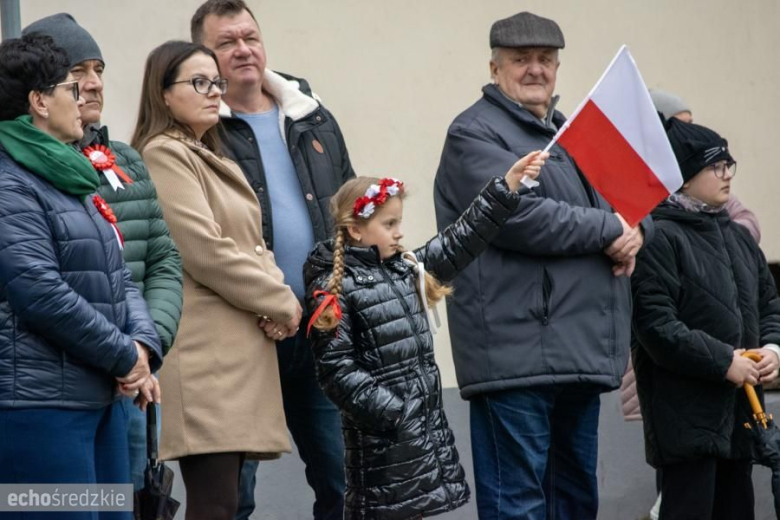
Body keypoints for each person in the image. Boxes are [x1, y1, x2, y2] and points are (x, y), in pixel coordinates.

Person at [433, 11, 653, 519]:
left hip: (577, 351)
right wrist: (610, 230)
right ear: (494, 68)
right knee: (520, 506)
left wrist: (637, 231)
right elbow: (516, 216)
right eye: (521, 60)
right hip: (516, 358)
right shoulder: (473, 134)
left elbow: (629, 202)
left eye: (546, 60)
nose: (536, 69)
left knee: (575, 502)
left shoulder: (572, 135)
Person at [306, 149, 547, 519]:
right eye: (388, 224)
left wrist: (508, 186)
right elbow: (335, 370)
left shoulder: (405, 270)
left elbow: (460, 241)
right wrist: (395, 414)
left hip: (420, 438)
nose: (399, 232)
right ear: (355, 229)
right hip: (383, 447)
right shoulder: (335, 288)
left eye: (399, 222)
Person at [190, 1, 354, 517]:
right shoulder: (201, 130)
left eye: (250, 37)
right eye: (226, 43)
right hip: (244, 334)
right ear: (204, 58)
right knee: (234, 494)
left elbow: (349, 212)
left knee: (343, 478)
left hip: (321, 325)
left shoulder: (311, 114)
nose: (243, 50)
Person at [131, 40, 301, 519]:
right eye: (198, 82)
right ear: (163, 94)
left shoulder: (209, 153)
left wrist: (271, 301)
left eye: (216, 83)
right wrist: (282, 301)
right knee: (216, 505)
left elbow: (254, 245)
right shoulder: (164, 153)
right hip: (206, 362)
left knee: (227, 503)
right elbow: (205, 251)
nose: (214, 93)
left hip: (234, 358)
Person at [22, 12, 184, 492]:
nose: (92, 85)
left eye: (99, 70)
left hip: (133, 381)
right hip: (68, 382)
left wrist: (144, 351)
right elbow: (42, 285)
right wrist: (118, 357)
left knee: (128, 499)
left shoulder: (127, 159)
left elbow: (163, 262)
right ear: (41, 93)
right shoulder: (31, 169)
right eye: (77, 74)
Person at [631, 117, 780, 520]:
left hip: (740, 420)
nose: (726, 174)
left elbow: (770, 305)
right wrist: (724, 362)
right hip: (686, 425)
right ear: (682, 176)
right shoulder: (659, 237)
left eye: (728, 164)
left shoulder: (738, 238)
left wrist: (772, 349)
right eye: (715, 166)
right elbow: (656, 326)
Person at [649, 88, 761, 243]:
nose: (687, 131)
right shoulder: (662, 229)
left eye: (690, 123)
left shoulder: (708, 192)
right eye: (677, 124)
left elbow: (747, 221)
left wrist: (721, 242)